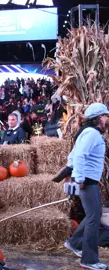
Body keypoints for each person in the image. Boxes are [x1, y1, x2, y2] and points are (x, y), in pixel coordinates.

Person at [64, 103, 109, 270]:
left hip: (87, 180)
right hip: (87, 181)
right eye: (105, 116)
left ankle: (74, 243)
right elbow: (80, 156)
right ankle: (89, 260)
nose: (106, 120)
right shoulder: (91, 134)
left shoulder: (89, 133)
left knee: (93, 215)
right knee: (93, 219)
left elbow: (72, 155)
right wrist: (79, 178)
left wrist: (75, 176)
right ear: (98, 118)